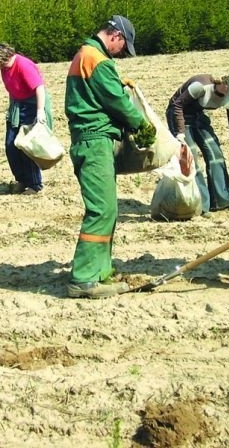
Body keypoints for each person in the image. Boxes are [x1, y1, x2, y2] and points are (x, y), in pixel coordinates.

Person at [65, 15, 151, 299]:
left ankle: (101, 270)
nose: (122, 54)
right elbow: (115, 100)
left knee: (108, 209)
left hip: (91, 140)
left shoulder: (87, 55)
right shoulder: (97, 60)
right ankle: (84, 278)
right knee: (101, 210)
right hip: (94, 141)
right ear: (116, 36)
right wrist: (141, 123)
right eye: (123, 48)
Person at [165, 72, 229, 214]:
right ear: (224, 85)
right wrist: (180, 132)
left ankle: (222, 201)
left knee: (215, 154)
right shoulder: (200, 87)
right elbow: (177, 105)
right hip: (178, 115)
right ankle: (201, 206)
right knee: (191, 159)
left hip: (198, 115)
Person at [0, 42, 52, 194]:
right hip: (17, 106)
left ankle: (34, 185)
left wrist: (40, 112)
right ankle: (21, 180)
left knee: (26, 146)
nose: (0, 66)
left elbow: (39, 88)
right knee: (11, 145)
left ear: (6, 56)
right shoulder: (4, 67)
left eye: (1, 62)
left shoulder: (23, 65)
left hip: (32, 105)